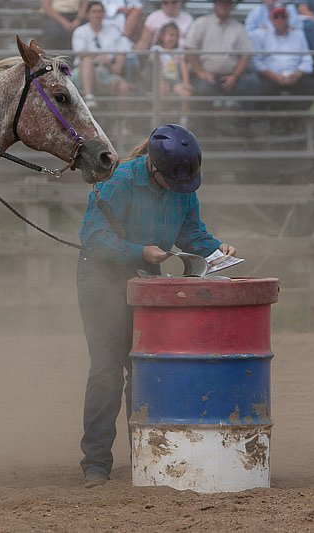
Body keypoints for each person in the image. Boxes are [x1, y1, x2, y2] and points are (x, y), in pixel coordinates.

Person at [77, 124, 236, 488]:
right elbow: (92, 237)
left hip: (144, 279)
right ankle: (96, 462)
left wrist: (217, 250)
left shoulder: (181, 186)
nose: (180, 190)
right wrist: (138, 252)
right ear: (153, 167)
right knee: (106, 370)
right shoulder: (118, 181)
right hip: (101, 276)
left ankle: (143, 454)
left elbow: (192, 232)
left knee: (143, 367)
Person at [183, 0, 260, 99]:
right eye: (221, 2)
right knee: (203, 89)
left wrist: (234, 76)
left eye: (227, 3)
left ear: (231, 5)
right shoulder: (200, 23)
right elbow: (190, 49)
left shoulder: (239, 28)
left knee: (252, 84)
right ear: (215, 4)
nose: (224, 5)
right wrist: (200, 72)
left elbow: (245, 56)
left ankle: (241, 114)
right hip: (205, 75)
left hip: (231, 76)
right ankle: (204, 115)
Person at [250, 4, 314, 108]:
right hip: (271, 77)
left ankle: (292, 118)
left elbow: (307, 59)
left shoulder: (298, 34)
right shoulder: (260, 34)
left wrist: (297, 74)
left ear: (288, 17)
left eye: (283, 16)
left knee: (312, 86)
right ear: (270, 19)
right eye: (276, 16)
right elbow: (257, 62)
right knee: (261, 87)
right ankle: (279, 119)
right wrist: (275, 77)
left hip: (295, 76)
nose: (280, 19)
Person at [72, 1, 133, 109]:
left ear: (104, 14)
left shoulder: (113, 31)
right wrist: (99, 57)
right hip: (82, 73)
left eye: (100, 12)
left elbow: (121, 51)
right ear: (87, 14)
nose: (97, 14)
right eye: (94, 12)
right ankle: (89, 97)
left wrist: (119, 62)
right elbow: (80, 53)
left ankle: (121, 122)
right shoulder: (80, 31)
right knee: (87, 61)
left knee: (123, 86)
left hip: (105, 73)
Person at [150, 23, 192, 124]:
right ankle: (156, 116)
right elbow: (153, 64)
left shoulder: (179, 51)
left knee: (186, 94)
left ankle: (183, 118)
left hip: (176, 81)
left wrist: (186, 82)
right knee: (161, 90)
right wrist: (160, 80)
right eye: (170, 35)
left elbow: (183, 66)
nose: (172, 38)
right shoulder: (157, 49)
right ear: (162, 36)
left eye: (175, 36)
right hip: (162, 79)